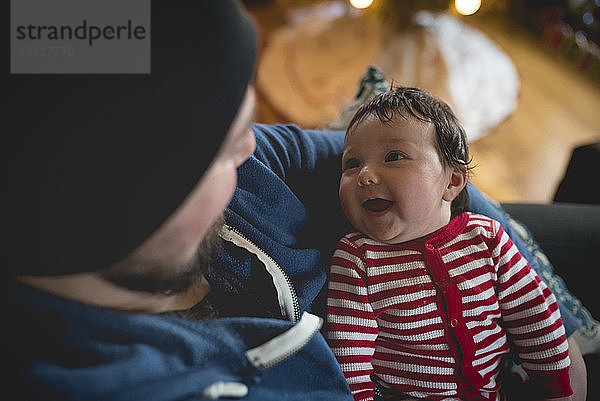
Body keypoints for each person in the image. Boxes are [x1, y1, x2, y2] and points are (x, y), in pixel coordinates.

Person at [3, 1, 587, 401]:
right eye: (224, 148)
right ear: (126, 206)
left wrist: (558, 351)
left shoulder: (252, 173)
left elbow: (417, 155)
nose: (253, 147)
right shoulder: (127, 379)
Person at [326, 87, 574, 401]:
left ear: (452, 181)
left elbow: (534, 312)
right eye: (351, 164)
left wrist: (552, 386)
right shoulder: (358, 258)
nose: (364, 176)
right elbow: (348, 355)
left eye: (393, 157)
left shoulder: (486, 238)